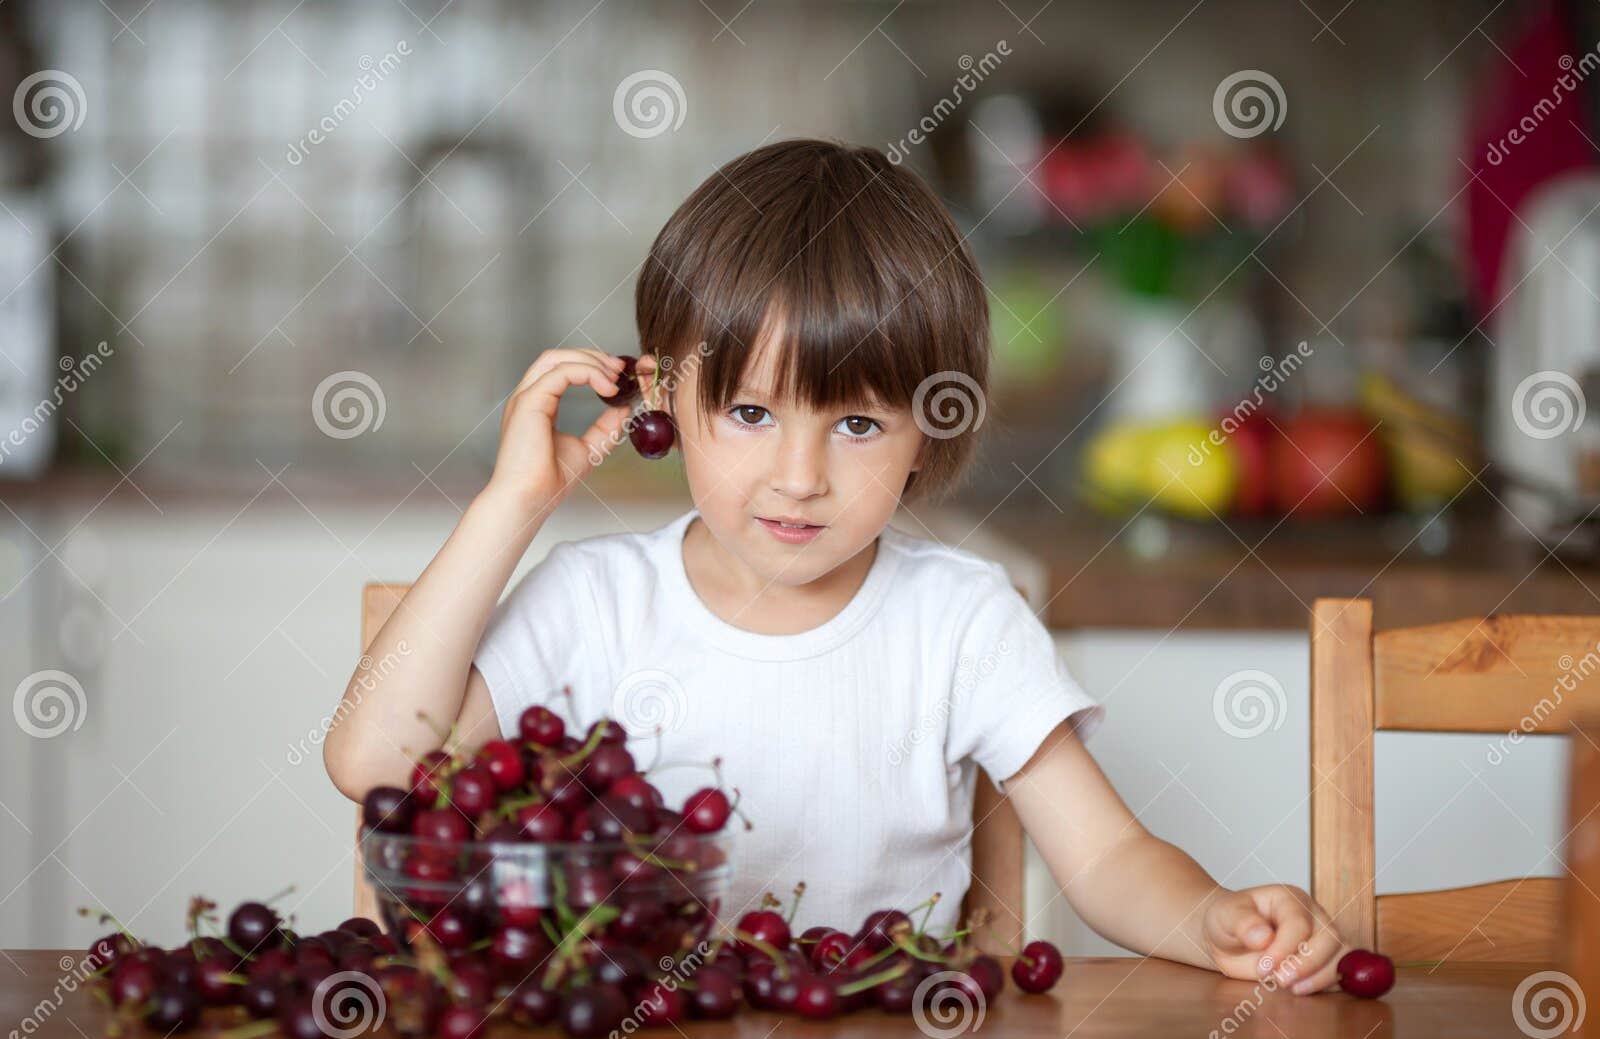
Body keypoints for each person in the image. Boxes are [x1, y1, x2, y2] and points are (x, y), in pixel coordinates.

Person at [325, 138, 1347, 994]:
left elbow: (1109, 857)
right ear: (663, 401)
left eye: (856, 421)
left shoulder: (961, 619)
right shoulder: (587, 601)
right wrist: (514, 505)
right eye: (751, 412)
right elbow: (376, 764)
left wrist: (1209, 913)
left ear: (926, 431)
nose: (798, 475)